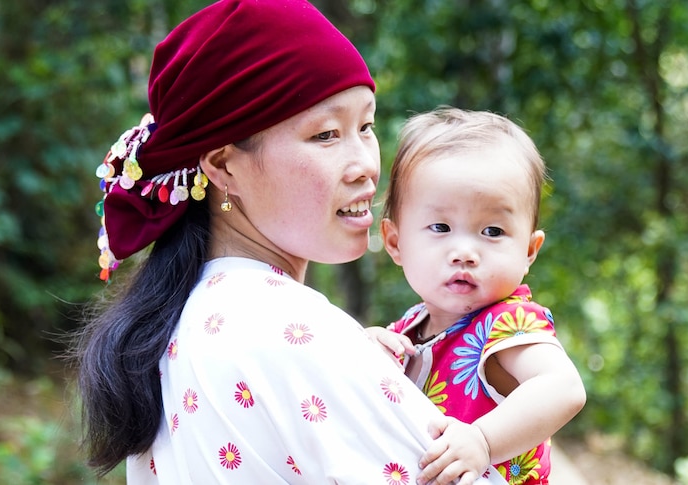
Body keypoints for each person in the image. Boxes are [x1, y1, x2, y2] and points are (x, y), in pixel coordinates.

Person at [74, 1, 507, 484]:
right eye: (325, 134)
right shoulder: (290, 331)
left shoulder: (182, 326)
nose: (365, 163)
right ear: (222, 166)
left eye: (366, 126)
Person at [366, 107, 587, 484]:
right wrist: (369, 350)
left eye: (493, 231)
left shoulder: (507, 324)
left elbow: (564, 388)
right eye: (440, 227)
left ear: (529, 250)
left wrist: (482, 440)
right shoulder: (410, 327)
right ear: (394, 241)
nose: (465, 251)